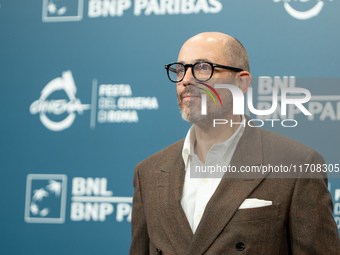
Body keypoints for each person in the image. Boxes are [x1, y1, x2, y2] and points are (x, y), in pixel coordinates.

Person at [129, 32, 340, 255]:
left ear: (241, 82)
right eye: (181, 69)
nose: (186, 80)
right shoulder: (148, 172)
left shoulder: (297, 165)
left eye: (202, 67)